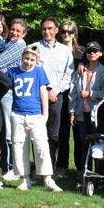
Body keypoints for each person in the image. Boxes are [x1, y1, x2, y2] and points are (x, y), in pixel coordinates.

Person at [6, 43, 63, 192]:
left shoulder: (39, 72)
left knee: (41, 146)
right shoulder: (13, 72)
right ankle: (25, 179)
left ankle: (47, 179)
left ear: (36, 60)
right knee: (19, 147)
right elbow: (2, 83)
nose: (28, 62)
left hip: (36, 114)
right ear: (22, 57)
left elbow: (43, 93)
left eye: (32, 59)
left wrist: (45, 114)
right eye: (26, 58)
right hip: (18, 114)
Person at [35, 17, 74, 174]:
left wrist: (55, 91)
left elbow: (68, 74)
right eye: (44, 29)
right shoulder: (35, 48)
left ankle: (53, 166)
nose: (47, 31)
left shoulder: (65, 51)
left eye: (50, 28)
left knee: (55, 133)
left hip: (57, 95)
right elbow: (33, 72)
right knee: (38, 131)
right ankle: (40, 167)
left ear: (56, 30)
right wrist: (45, 91)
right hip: (38, 94)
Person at [0, 17, 29, 180]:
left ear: (24, 33)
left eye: (18, 31)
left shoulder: (20, 46)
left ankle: (13, 168)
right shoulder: (9, 44)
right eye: (12, 29)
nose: (14, 32)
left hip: (9, 92)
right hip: (1, 90)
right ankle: (4, 165)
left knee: (10, 131)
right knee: (3, 129)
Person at [69, 40, 104, 183]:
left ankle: (99, 174)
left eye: (95, 51)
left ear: (100, 53)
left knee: (98, 144)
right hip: (81, 113)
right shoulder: (80, 71)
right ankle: (84, 172)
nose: (92, 53)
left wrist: (91, 93)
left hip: (96, 114)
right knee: (83, 143)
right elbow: (73, 93)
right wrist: (72, 112)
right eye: (89, 51)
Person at [57, 20, 85, 175]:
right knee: (62, 132)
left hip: (78, 96)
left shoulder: (82, 52)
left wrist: (83, 63)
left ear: (75, 33)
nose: (66, 34)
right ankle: (61, 164)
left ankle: (80, 167)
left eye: (70, 31)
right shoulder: (56, 50)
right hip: (61, 94)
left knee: (79, 133)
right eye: (63, 31)